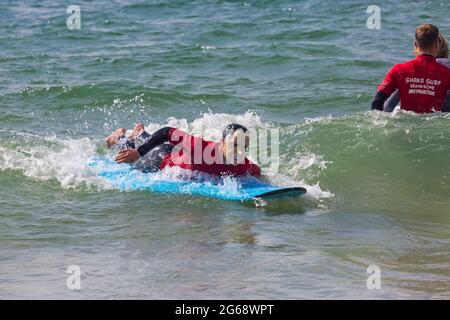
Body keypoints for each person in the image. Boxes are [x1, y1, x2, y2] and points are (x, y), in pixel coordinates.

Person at [106, 123, 261, 177]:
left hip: (180, 153)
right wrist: (138, 152)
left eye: (243, 147)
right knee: (132, 162)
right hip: (160, 158)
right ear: (221, 143)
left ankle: (139, 133)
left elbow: (255, 170)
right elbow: (167, 132)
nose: (239, 151)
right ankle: (119, 137)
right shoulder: (200, 148)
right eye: (235, 145)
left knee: (147, 142)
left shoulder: (241, 163)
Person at [371, 24, 450, 113]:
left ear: (415, 44)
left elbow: (377, 100)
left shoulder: (398, 70)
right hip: (434, 123)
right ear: (437, 45)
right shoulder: (447, 73)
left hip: (406, 124)